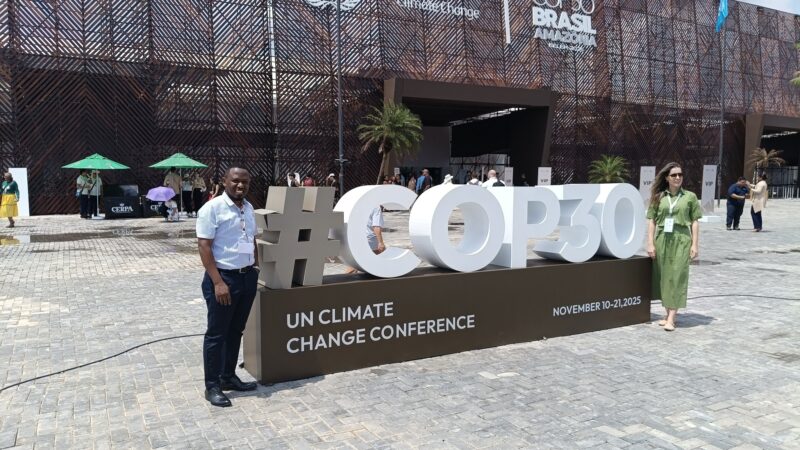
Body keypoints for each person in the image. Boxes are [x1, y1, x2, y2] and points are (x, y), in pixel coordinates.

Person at [196, 167, 260, 407]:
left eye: (245, 181)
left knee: (236, 331)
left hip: (246, 277)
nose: (240, 185)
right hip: (224, 279)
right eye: (235, 181)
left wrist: (256, 267)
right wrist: (218, 282)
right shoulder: (212, 208)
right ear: (224, 182)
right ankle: (212, 386)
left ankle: (228, 376)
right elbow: (204, 246)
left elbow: (251, 238)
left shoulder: (249, 208)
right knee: (217, 334)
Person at [645, 162, 701, 332]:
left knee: (677, 276)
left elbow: (695, 221)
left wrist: (695, 244)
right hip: (662, 238)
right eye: (674, 175)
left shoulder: (690, 197)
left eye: (680, 174)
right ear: (667, 178)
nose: (678, 177)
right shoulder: (658, 197)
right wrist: (650, 243)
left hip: (681, 238)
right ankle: (667, 312)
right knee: (664, 276)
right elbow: (652, 221)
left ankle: (671, 318)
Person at [344, 206, 386, 274]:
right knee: (356, 265)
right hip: (370, 241)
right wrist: (380, 242)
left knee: (358, 264)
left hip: (357, 237)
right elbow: (376, 226)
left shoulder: (358, 204)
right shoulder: (376, 207)